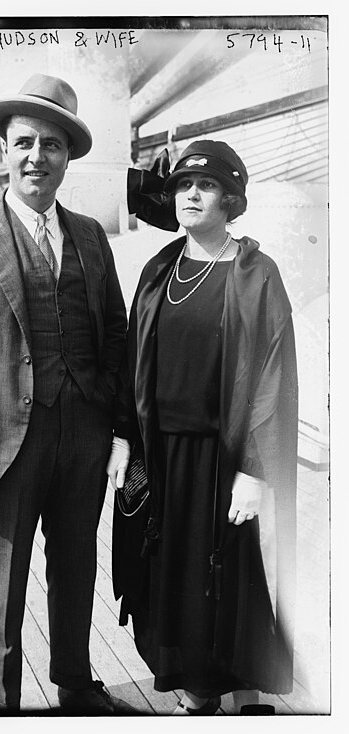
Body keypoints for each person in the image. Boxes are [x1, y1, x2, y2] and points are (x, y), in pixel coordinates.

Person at [0, 73, 132, 714]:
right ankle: (1, 708)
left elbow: (117, 340)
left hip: (84, 436)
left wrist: (119, 432)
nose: (37, 156)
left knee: (75, 571)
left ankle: (74, 684)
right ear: (3, 152)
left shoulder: (92, 237)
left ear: (68, 158)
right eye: (24, 142)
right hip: (1, 443)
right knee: (1, 587)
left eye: (52, 145)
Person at [108, 140, 298, 715]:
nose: (191, 194)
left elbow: (274, 377)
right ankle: (196, 695)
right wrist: (123, 439)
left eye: (207, 186)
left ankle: (231, 695)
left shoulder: (255, 273)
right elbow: (131, 361)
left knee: (224, 583)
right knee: (169, 576)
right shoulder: (159, 268)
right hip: (161, 454)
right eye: (184, 186)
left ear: (231, 199)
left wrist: (254, 471)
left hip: (223, 459)